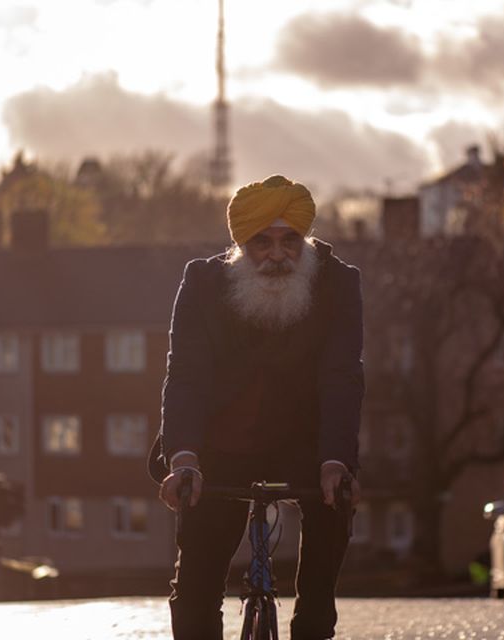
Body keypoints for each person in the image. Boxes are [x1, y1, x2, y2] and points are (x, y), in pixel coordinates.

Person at [147, 174, 364, 640]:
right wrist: (184, 459)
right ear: (242, 244)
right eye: (262, 242)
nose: (277, 254)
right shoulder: (202, 283)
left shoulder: (339, 284)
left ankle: (312, 626)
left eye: (290, 241)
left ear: (305, 240)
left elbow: (342, 376)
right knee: (196, 588)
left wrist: (335, 462)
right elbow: (185, 375)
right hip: (220, 446)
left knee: (334, 513)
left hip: (308, 445)